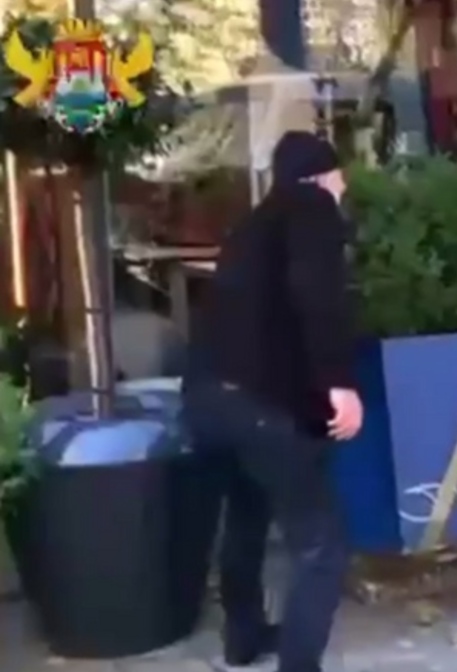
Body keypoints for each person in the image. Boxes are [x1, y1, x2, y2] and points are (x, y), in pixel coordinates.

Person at [181, 130, 363, 672]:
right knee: (322, 548)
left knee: (247, 517)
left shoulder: (249, 225)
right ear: (324, 175)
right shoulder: (311, 209)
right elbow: (317, 291)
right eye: (340, 175)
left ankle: (244, 638)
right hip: (265, 409)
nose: (345, 185)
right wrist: (339, 383)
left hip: (209, 400)